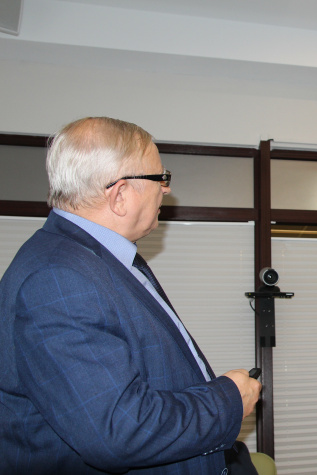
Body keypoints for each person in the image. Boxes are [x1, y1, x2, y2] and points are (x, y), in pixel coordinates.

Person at [0, 117, 262, 474]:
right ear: (120, 194)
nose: (166, 189)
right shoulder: (59, 277)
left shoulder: (97, 260)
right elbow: (119, 430)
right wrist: (228, 400)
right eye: (160, 177)